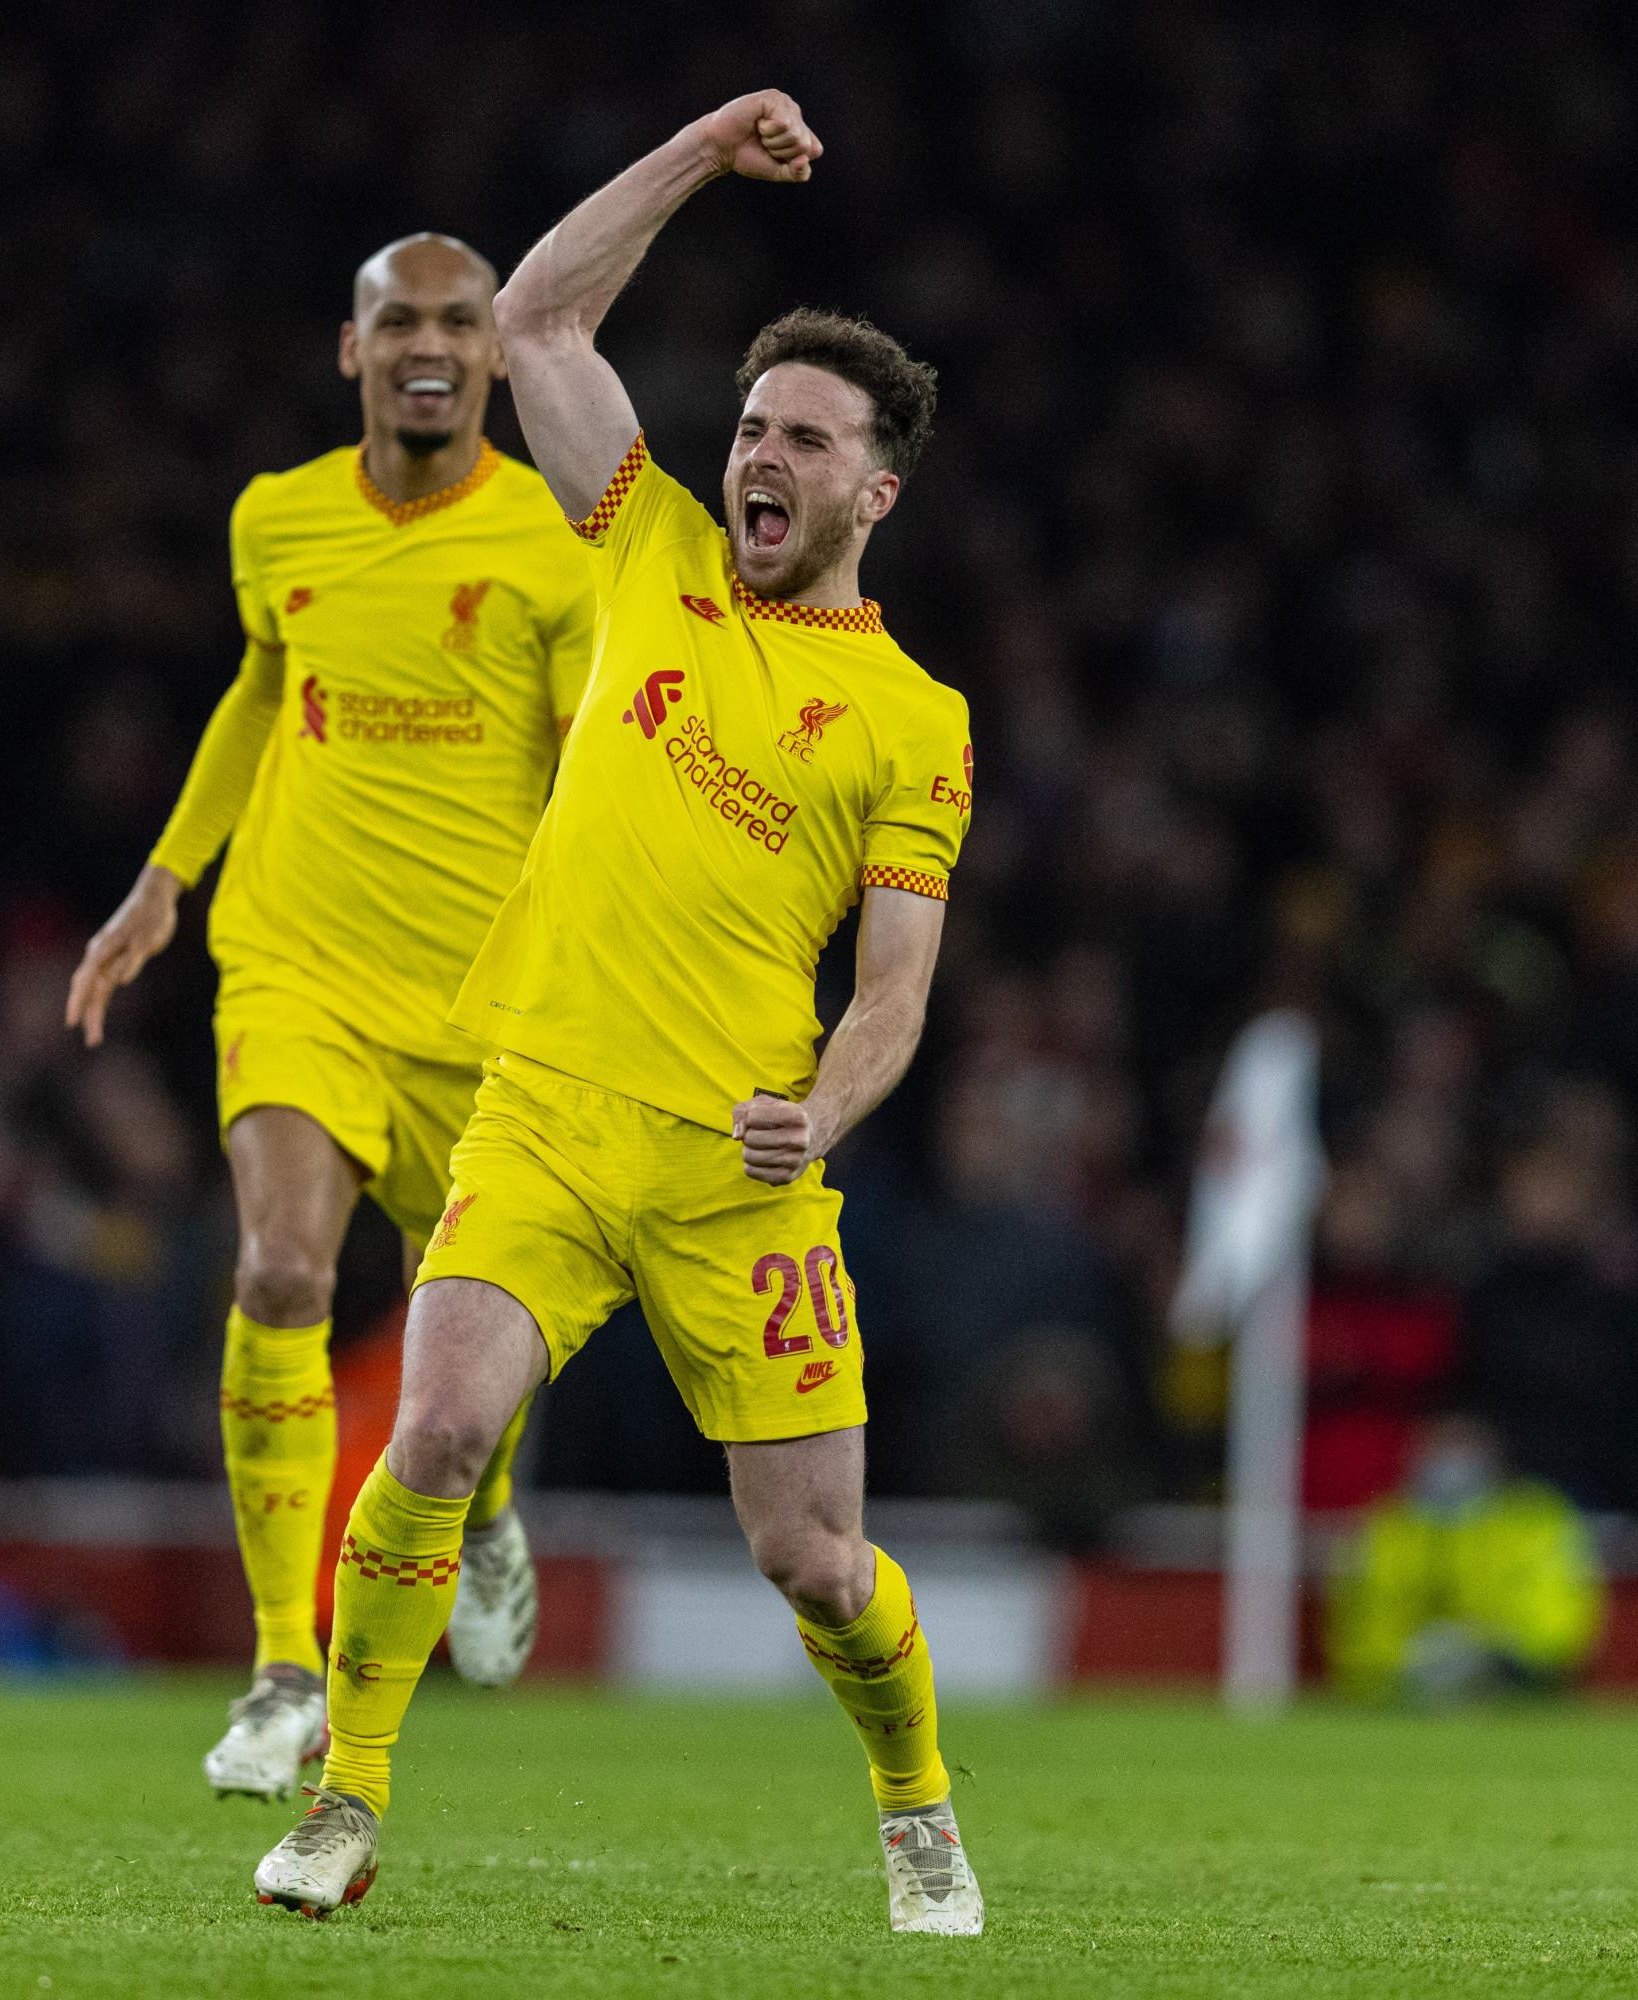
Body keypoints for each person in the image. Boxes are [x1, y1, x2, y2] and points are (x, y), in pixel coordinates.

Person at [253, 91, 983, 1936]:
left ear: (873, 492)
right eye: (750, 426)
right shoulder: (645, 545)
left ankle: (916, 1804)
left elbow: (894, 996)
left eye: (805, 442)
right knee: (430, 1435)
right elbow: (539, 324)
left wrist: (818, 1119)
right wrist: (699, 155)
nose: (762, 458)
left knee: (813, 1562)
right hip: (548, 1110)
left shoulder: (918, 724)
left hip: (740, 1165)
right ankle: (350, 1796)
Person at [65, 235, 594, 1799]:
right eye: (397, 322)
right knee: (284, 1266)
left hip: (477, 1002)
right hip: (295, 961)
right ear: (350, 349)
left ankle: (485, 1507)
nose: (427, 345)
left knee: (465, 1351)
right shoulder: (275, 515)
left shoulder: (555, 548)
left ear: (497, 357)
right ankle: (281, 1671)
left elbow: (580, 786)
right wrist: (167, 878)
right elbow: (261, 683)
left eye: (459, 324)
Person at [1325, 1415, 1604, 1704]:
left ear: (1495, 1458)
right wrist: (1410, 1661)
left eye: (1465, 1448)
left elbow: (1558, 1622)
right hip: (1401, 1697)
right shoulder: (1384, 1529)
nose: (1452, 1461)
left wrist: (1491, 1654)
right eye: (1441, 1448)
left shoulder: (1534, 1522)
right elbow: (1360, 1631)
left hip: (1513, 1690)